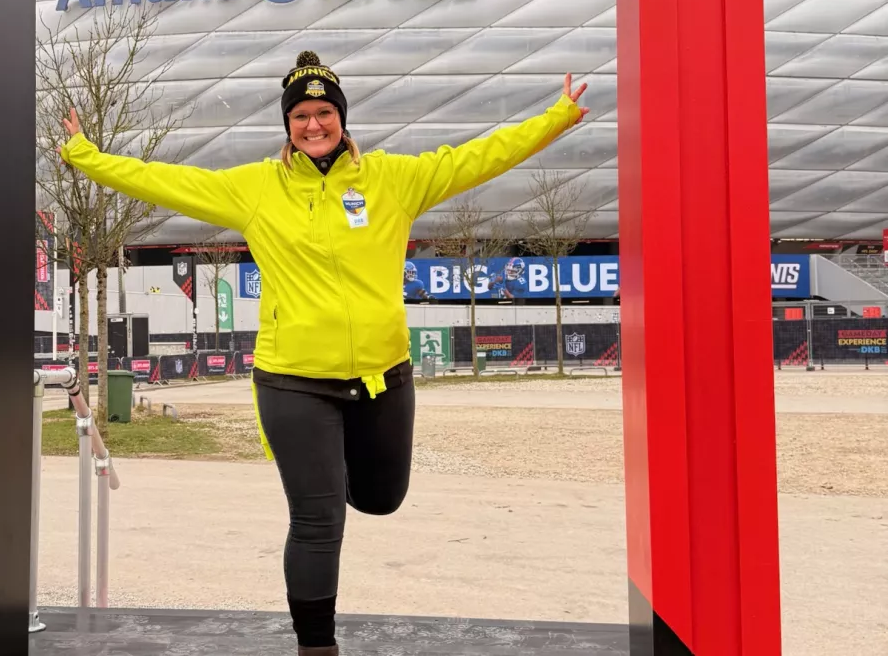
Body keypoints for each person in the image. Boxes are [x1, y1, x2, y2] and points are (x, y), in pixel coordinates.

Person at [58, 50, 588, 655]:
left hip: (382, 375)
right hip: (293, 380)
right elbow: (164, 180)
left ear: (342, 117)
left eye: (325, 112)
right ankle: (317, 646)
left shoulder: (394, 179)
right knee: (316, 522)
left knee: (383, 498)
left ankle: (330, 475)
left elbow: (478, 157)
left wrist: (558, 118)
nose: (314, 125)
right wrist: (85, 155)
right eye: (301, 115)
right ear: (287, 124)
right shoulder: (255, 189)